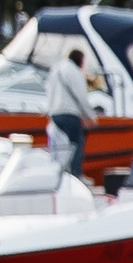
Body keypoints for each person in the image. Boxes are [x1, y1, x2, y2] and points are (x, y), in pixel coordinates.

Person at [42, 34, 93, 178]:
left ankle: (57, 175)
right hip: (69, 114)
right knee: (76, 145)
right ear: (80, 60)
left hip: (54, 115)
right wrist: (90, 116)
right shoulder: (75, 72)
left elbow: (48, 90)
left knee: (58, 149)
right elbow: (80, 96)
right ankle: (75, 175)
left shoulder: (56, 70)